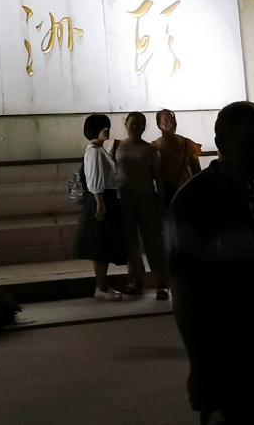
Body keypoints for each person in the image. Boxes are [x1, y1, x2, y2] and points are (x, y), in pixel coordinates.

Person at [165, 100, 254, 424]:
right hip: (228, 372)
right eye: (251, 146)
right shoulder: (191, 204)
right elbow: (185, 292)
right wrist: (200, 369)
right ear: (220, 145)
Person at [112, 111, 170, 299]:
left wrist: (161, 199)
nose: (136, 127)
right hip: (124, 198)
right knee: (130, 241)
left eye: (140, 124)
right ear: (126, 123)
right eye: (133, 123)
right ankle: (136, 279)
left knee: (152, 240)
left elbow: (157, 177)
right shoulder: (116, 146)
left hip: (145, 197)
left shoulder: (151, 150)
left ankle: (162, 281)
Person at [71, 113, 128, 300]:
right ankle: (101, 287)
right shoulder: (94, 152)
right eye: (104, 127)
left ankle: (103, 285)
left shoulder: (98, 150)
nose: (107, 130)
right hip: (102, 200)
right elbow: (95, 179)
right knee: (100, 246)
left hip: (106, 199)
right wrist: (100, 204)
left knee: (103, 245)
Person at [151, 108, 201, 207]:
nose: (171, 123)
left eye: (172, 120)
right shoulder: (154, 147)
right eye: (166, 120)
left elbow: (196, 169)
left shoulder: (187, 144)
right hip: (164, 192)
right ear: (158, 124)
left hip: (186, 190)